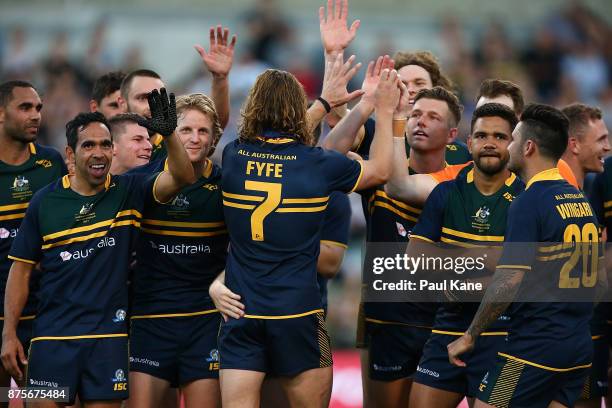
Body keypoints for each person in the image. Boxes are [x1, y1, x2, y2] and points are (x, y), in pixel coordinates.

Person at [218, 62, 400, 407]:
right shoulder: (316, 163)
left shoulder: (233, 156)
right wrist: (384, 110)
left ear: (253, 106)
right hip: (297, 314)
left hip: (241, 314)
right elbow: (380, 172)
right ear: (295, 110)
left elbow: (279, 151)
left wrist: (324, 105)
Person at [2, 89, 194, 407]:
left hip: (108, 340)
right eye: (88, 145)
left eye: (105, 144)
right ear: (70, 154)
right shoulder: (45, 202)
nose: (98, 152)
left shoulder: (130, 191)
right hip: (51, 339)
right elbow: (20, 270)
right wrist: (9, 333)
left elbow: (183, 176)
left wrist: (170, 134)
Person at [447, 103, 604, 408]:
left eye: (513, 140)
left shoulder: (529, 201)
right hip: (578, 348)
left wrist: (470, 336)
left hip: (534, 347)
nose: (509, 146)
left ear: (529, 147)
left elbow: (508, 280)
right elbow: (598, 284)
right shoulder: (580, 200)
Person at [407, 103, 522, 407]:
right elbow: (415, 261)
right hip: (447, 326)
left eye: (500, 136)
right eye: (482, 135)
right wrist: (489, 258)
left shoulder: (526, 199)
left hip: (505, 334)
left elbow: (517, 280)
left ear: (515, 144)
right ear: (468, 143)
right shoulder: (445, 193)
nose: (489, 143)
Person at [128, 93, 227, 408]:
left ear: (214, 138)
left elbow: (245, 250)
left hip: (205, 322)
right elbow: (180, 176)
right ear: (171, 130)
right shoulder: (145, 178)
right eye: (186, 130)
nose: (195, 139)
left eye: (203, 131)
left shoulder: (227, 185)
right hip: (150, 320)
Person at [0, 80, 67, 407]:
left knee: (46, 400)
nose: (36, 115)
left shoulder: (51, 163)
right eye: (25, 107)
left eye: (38, 108)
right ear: (1, 113)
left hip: (43, 318)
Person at [119, 26, 235, 162]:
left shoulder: (174, 143)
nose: (152, 106)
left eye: (159, 98)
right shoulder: (104, 144)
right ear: (123, 104)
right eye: (142, 98)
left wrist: (220, 78)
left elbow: (216, 123)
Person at [561, 103, 610, 408]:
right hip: (538, 344)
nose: (608, 147)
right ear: (574, 144)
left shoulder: (582, 196)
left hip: (579, 337)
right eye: (601, 139)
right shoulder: (547, 194)